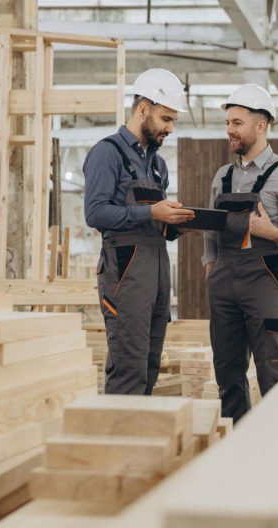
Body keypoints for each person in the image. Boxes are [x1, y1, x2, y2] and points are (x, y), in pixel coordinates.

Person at [83, 68, 195, 395]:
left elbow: (151, 223)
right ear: (143, 109)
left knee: (149, 366)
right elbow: (95, 213)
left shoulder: (157, 165)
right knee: (129, 366)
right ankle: (119, 442)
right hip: (124, 274)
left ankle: (140, 441)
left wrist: (175, 223)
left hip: (156, 271)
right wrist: (151, 211)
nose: (170, 128)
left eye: (173, 120)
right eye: (165, 119)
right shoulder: (107, 153)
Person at [204, 84, 278, 421]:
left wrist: (272, 232)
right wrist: (210, 265)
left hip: (265, 283)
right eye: (227, 124)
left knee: (272, 369)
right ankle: (239, 446)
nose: (229, 130)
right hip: (223, 282)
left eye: (236, 123)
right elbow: (212, 229)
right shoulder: (223, 176)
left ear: (260, 126)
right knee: (228, 372)